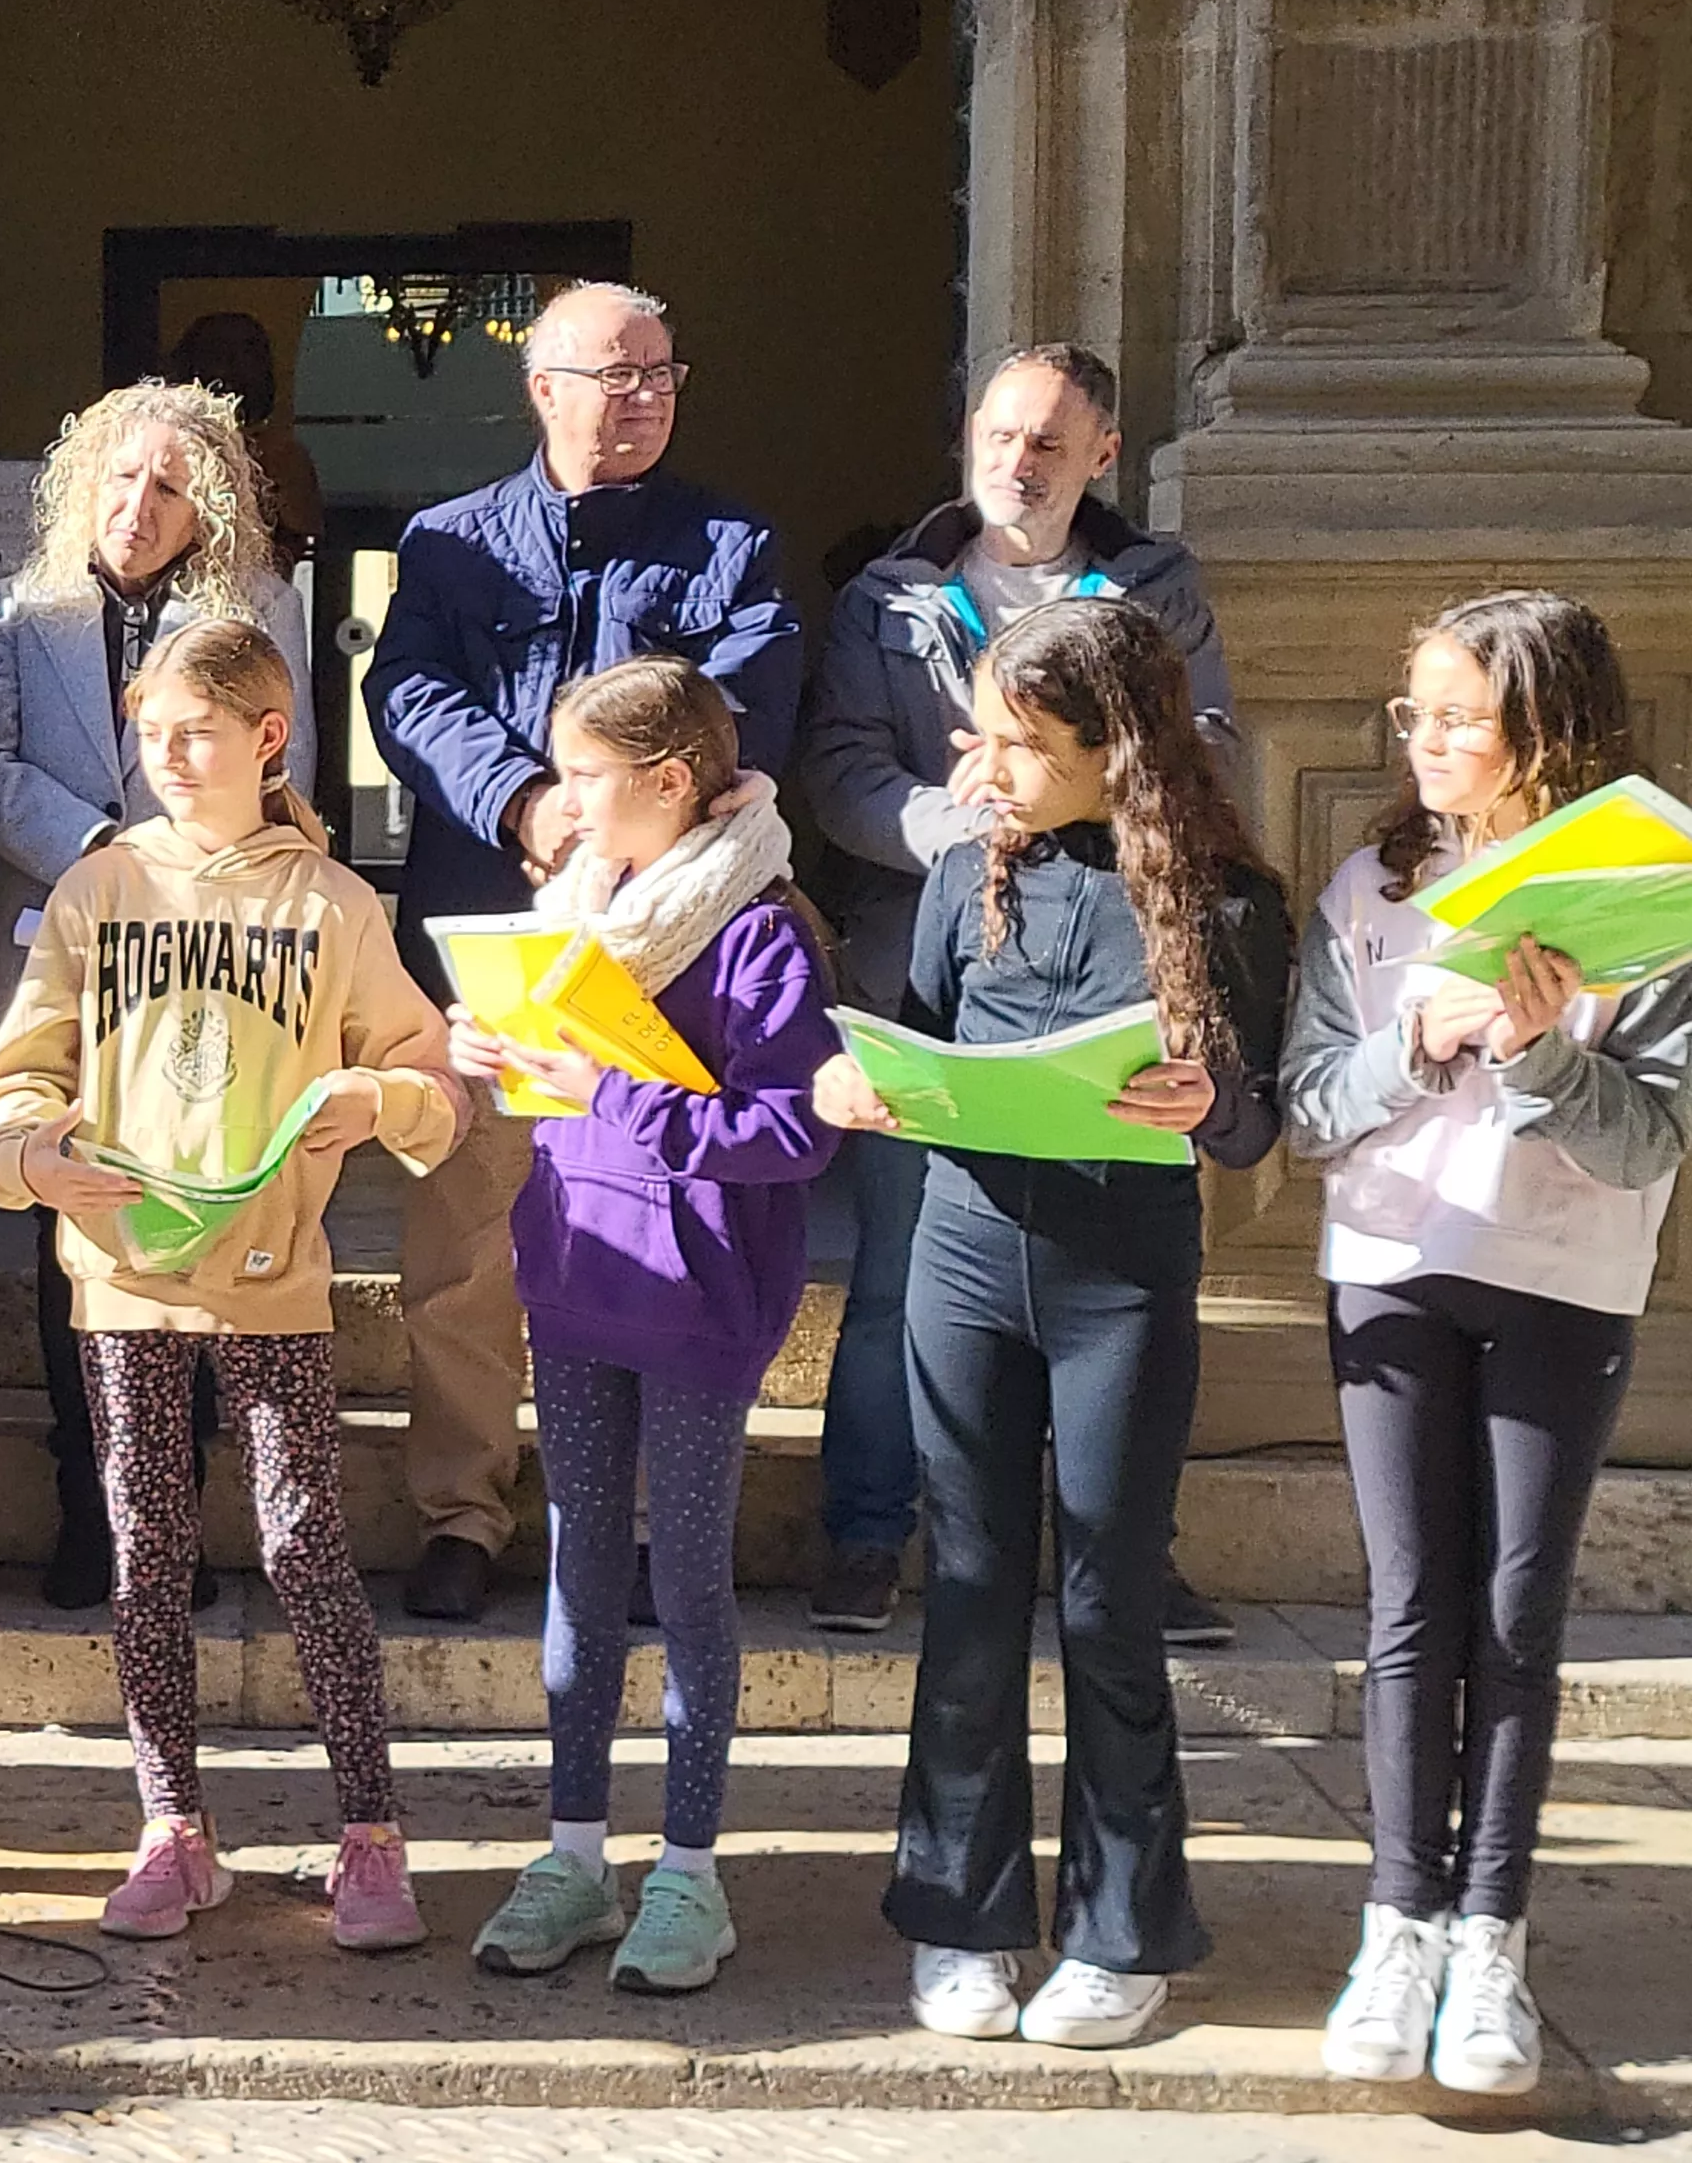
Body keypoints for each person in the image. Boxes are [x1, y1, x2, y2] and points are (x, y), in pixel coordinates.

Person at [809, 596, 1287, 2052]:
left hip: (1119, 1279)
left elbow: (1256, 1120)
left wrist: (1213, 1104)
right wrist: (864, 1088)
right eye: (987, 737)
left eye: (1025, 744)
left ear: (1116, 744)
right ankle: (958, 1920)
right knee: (967, 1594)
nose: (989, 769)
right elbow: (924, 1040)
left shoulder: (1223, 899)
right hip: (961, 1258)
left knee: (1106, 1602)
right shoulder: (972, 873)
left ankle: (1121, 1929)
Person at [0, 618, 457, 1953]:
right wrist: (30, 1157)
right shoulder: (97, 892)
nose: (169, 756)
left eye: (197, 731)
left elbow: (431, 1079)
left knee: (303, 1540)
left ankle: (370, 1834)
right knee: (145, 1551)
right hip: (126, 1274)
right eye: (153, 732)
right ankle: (172, 1825)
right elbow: (16, 1080)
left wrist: (382, 1095)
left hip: (273, 1274)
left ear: (267, 736)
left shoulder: (330, 904)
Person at [1278, 591, 1675, 2096]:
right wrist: (1420, 1038)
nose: (1428, 742)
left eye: (1461, 718)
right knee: (1407, 1608)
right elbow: (1310, 1104)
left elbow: (1646, 1144)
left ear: (1545, 731)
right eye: (1413, 714)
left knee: (1516, 1615)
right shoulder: (1376, 886)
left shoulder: (1649, 898)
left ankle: (1490, 1939)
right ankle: (1398, 1924)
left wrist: (1533, 1051)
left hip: (1564, 1277)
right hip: (1391, 1268)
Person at [361, 281, 804, 1625]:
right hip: (497, 940)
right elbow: (408, 693)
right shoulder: (447, 544)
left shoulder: (730, 541)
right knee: (465, 1240)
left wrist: (616, 809)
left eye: (664, 374)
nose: (645, 396)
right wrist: (524, 800)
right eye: (617, 377)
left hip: (665, 953)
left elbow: (749, 690)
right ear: (542, 389)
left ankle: (652, 1523)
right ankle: (463, 1509)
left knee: (653, 1229)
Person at [795, 342, 1238, 1644]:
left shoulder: (1155, 588)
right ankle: (869, 1537)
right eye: (998, 436)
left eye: (1049, 441)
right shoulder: (892, 594)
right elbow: (836, 765)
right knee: (898, 1281)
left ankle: (1124, 1560)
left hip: (1110, 975)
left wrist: (1076, 802)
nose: (1018, 464)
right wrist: (954, 823)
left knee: (1112, 1290)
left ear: (1104, 452)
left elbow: (1204, 744)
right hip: (931, 973)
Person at [444, 660, 838, 1996]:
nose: (563, 803)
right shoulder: (579, 913)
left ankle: (689, 1872)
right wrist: (494, 1049)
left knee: (688, 1586)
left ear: (672, 783)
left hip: (696, 1296)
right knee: (577, 1576)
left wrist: (612, 1092)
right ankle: (572, 1857)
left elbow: (792, 1136)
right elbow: (563, 1083)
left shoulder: (758, 932)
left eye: (589, 776)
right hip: (579, 1273)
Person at [0, 380, 312, 1613]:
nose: (137, 504)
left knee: (200, 1245)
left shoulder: (259, 610)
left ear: (205, 502)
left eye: (168, 485)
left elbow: (290, 778)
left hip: (208, 978)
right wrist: (112, 851)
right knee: (74, 1247)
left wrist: (183, 871)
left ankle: (191, 1520)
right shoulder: (29, 607)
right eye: (120, 478)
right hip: (61, 962)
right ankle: (90, 1510)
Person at [167, 311, 323, 572]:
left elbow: (303, 547)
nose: (226, 372)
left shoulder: (283, 457)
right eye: (215, 357)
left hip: (257, 596)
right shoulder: (159, 451)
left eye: (243, 360)